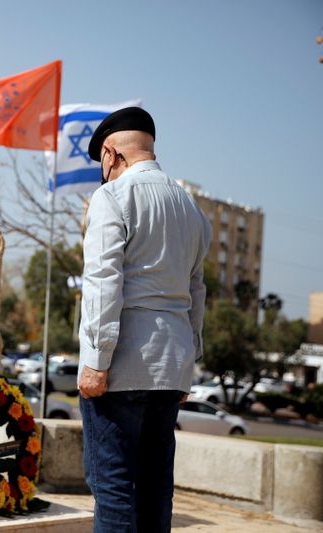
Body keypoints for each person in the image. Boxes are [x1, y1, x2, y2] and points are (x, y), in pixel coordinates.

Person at [77, 107, 211, 532]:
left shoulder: (112, 197)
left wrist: (96, 361)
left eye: (102, 160)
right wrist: (189, 362)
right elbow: (196, 291)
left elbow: (102, 281)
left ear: (111, 152)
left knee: (112, 486)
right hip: (171, 364)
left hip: (121, 365)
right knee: (155, 486)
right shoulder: (190, 206)